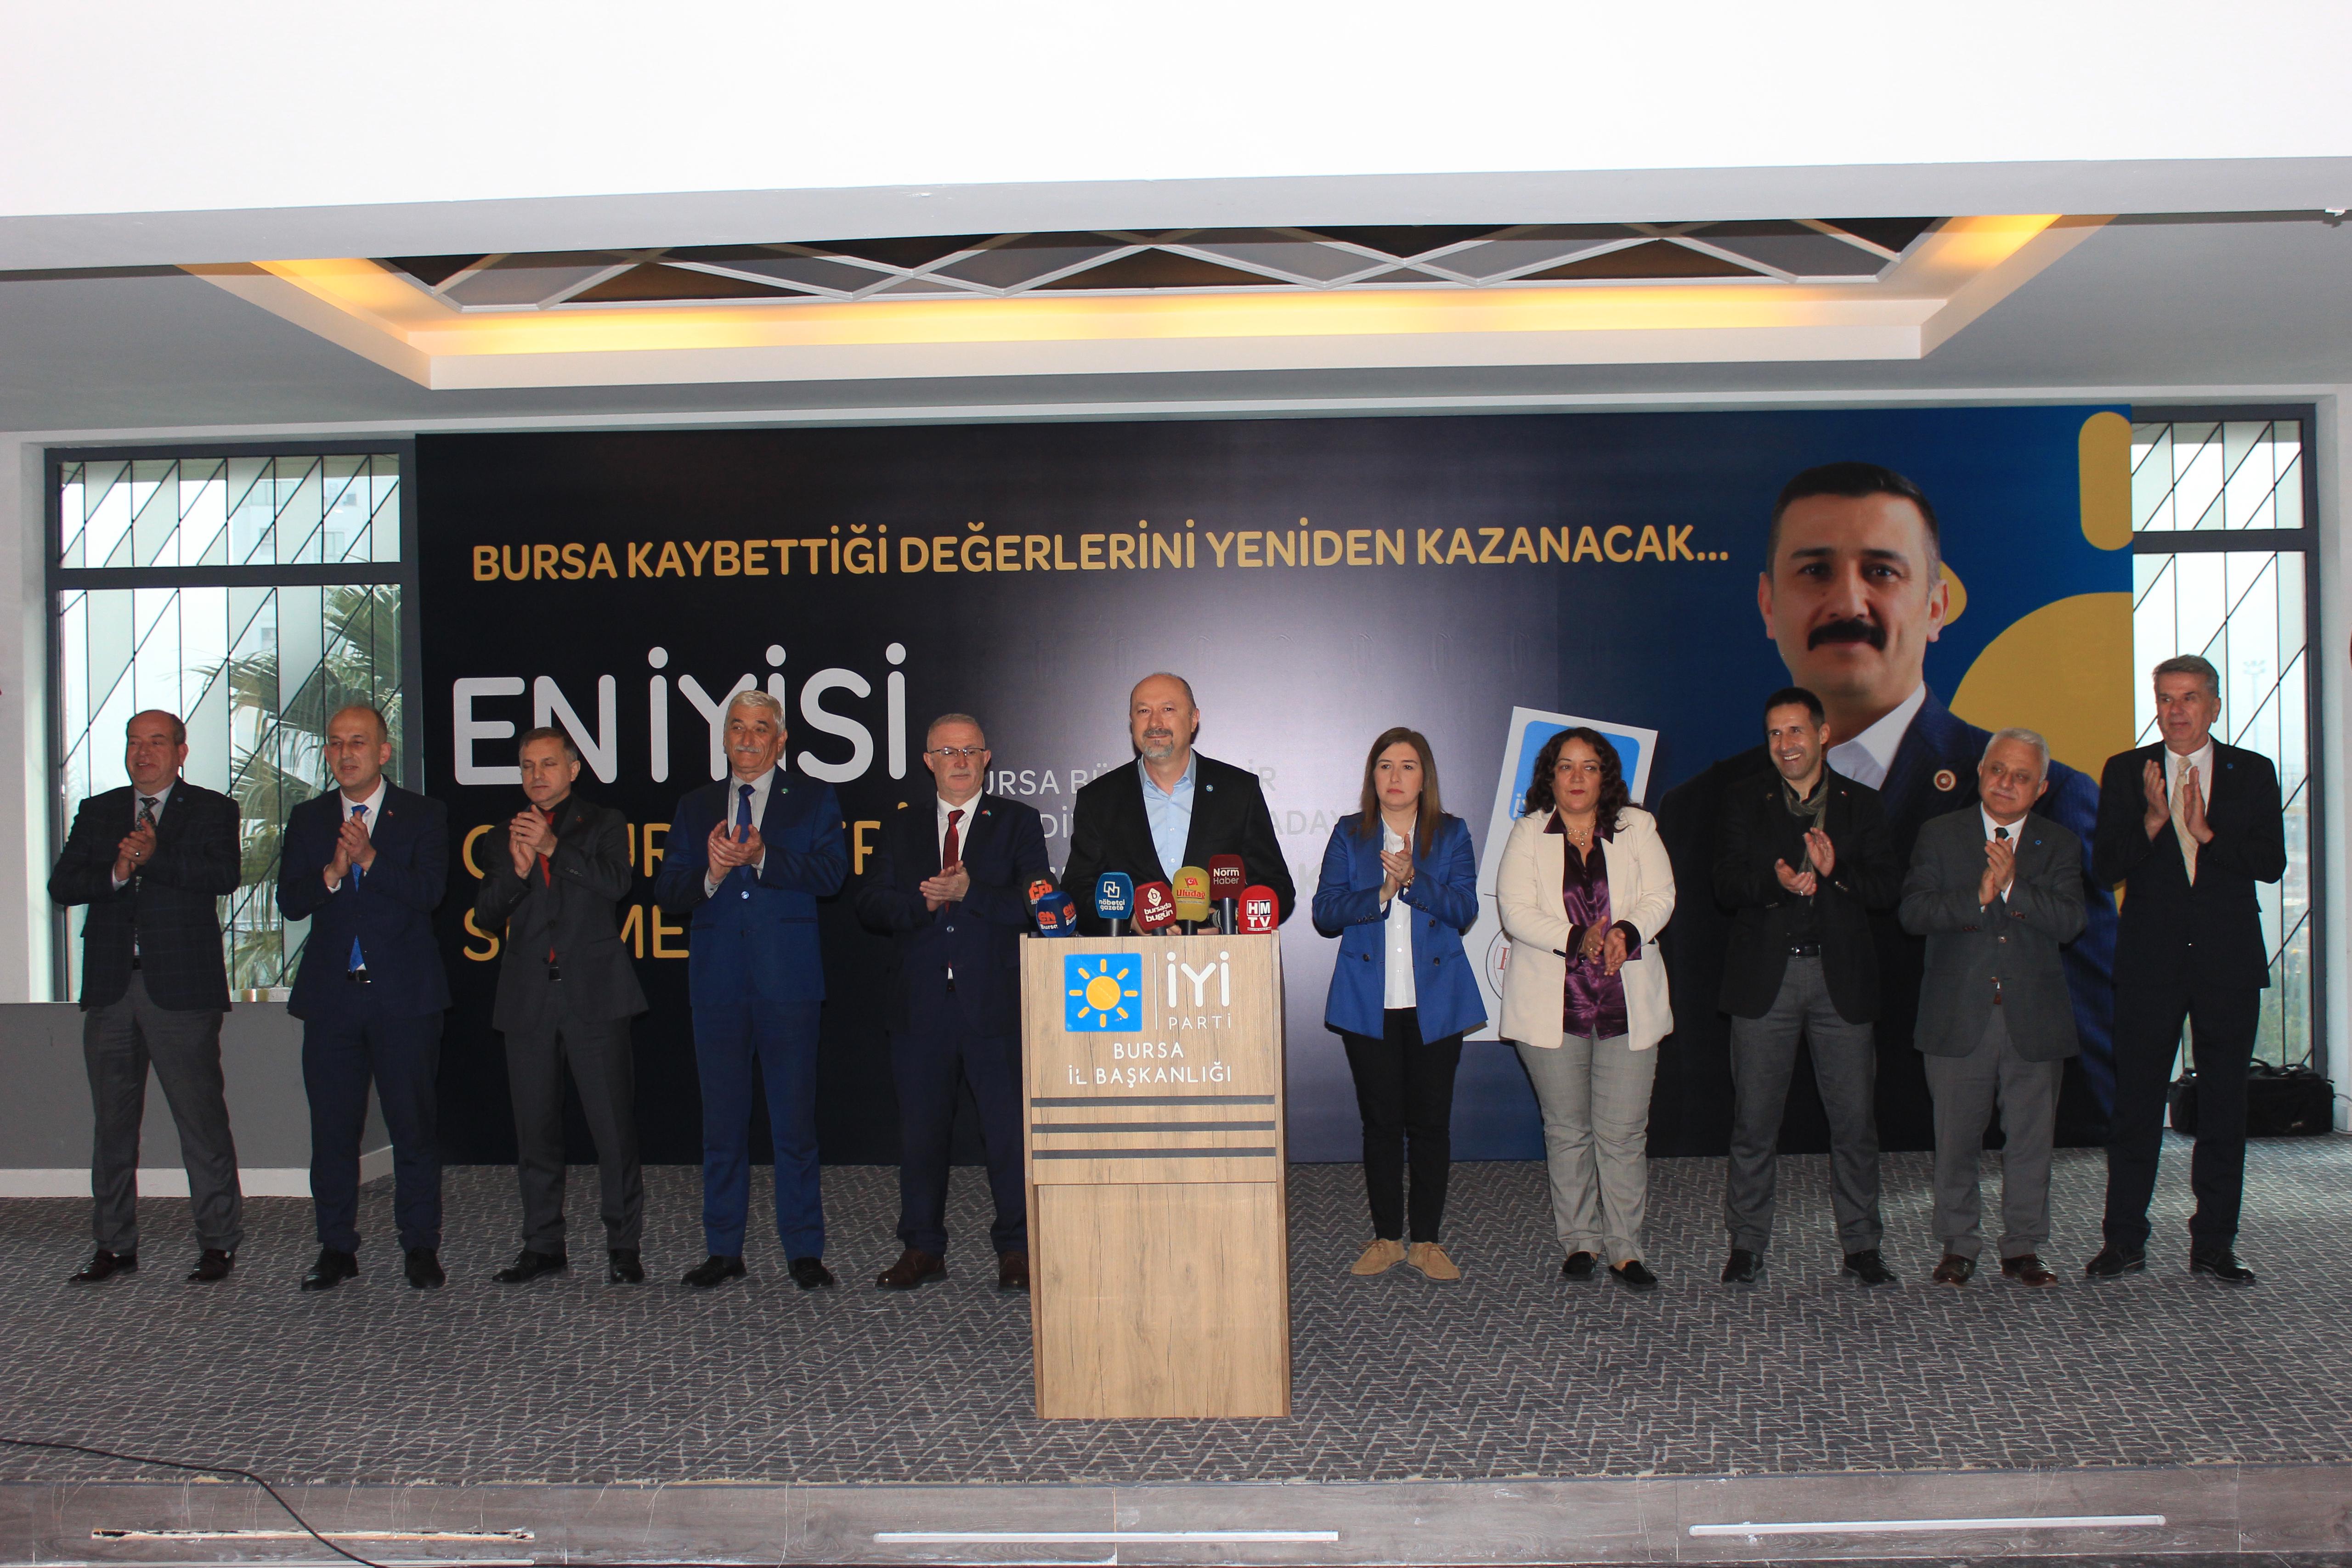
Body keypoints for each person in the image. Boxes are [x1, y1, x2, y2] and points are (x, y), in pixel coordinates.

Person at [1656, 461, 2115, 1154]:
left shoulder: (2045, 799)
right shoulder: (1696, 811)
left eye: (1882, 571)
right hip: (1761, 1176)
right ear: (1768, 605)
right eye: (1814, 571)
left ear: (1935, 607)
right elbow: (1687, 1058)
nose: (1848, 601)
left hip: (1955, 1173)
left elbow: (2080, 1056)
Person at [2086, 654, 2285, 1285]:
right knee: (2136, 1105)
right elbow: (2104, 868)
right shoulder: (2127, 771)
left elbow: (2272, 863)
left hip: (2228, 961)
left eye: (2189, 698)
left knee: (2223, 1107)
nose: (2175, 711)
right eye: (2165, 699)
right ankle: (2123, 1241)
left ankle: (2214, 1245)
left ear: (2214, 706)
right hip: (2149, 962)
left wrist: (2206, 832)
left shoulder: (2252, 771)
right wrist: (2153, 821)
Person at [655, 689, 848, 1290]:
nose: (746, 738)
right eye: (736, 727)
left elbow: (831, 874)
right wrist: (712, 872)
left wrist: (765, 855)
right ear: (724, 737)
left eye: (760, 728)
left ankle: (804, 1250)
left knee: (794, 1126)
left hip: (788, 983)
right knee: (722, 1126)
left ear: (780, 740)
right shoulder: (695, 805)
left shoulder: (812, 798)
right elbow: (669, 891)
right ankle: (723, 1249)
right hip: (716, 984)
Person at [853, 714, 1049, 1294]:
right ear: (928, 762)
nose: (959, 761)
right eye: (947, 752)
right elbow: (869, 904)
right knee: (921, 1134)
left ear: (986, 759)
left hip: (994, 1005)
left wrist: (971, 892)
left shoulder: (1016, 821)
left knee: (1007, 1136)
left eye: (969, 751)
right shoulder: (901, 826)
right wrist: (924, 904)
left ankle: (1017, 1249)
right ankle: (922, 1248)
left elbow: (1038, 905)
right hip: (920, 1007)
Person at [48, 710, 244, 1285]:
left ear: (181, 752)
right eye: (135, 742)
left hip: (182, 991)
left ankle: (218, 1243)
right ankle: (114, 1246)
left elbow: (223, 876)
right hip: (112, 988)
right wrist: (116, 870)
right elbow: (63, 885)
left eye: (157, 742)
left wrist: (154, 857)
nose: (143, 752)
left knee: (201, 1123)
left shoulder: (212, 809)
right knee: (111, 1128)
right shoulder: (98, 810)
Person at [1715, 687, 1901, 1286]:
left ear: (1822, 735)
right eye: (1774, 733)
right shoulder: (1744, 800)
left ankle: (1862, 1246)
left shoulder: (1862, 804)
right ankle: (1746, 1244)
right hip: (1764, 982)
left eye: (1795, 731)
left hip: (1838, 980)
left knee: (1854, 1125)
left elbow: (1887, 890)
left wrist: (1835, 871)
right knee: (1753, 1123)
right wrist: (1775, 884)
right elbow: (1723, 884)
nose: (1785, 744)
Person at [1899, 728, 2086, 1288]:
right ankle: (1957, 1246)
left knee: (2030, 1142)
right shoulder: (1939, 834)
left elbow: (2070, 922)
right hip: (1957, 1013)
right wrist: (1976, 897)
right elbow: (1913, 913)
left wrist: (2011, 890)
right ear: (1980, 771)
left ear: (2041, 788)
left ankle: (2023, 1247)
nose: (2006, 783)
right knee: (1955, 1141)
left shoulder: (2059, 843)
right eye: (1997, 770)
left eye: (2021, 776)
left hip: (2033, 1017)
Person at [276, 705, 451, 1292]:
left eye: (358, 742)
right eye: (335, 743)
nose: (344, 753)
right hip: (332, 1000)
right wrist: (332, 871)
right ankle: (335, 1247)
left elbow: (430, 892)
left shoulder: (423, 814)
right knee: (332, 1131)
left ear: (383, 752)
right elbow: (290, 901)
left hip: (404, 998)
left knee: (413, 1128)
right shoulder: (309, 819)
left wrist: (372, 859)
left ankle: (419, 1245)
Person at [1497, 728, 1677, 1292]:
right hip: (1551, 1007)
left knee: (1621, 1134)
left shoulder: (1637, 827)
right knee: (1567, 1130)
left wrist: (1626, 931)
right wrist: (1578, 938)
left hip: (1627, 1004)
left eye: (1589, 767)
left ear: (1606, 777)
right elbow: (1514, 912)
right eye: (1565, 767)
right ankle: (1579, 1241)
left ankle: (1625, 1249)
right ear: (1549, 777)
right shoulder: (1528, 833)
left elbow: (1661, 896)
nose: (1577, 778)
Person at [473, 726, 649, 1286]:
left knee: (612, 1130)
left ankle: (623, 1246)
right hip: (528, 998)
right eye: (528, 766)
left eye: (548, 764)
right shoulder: (502, 837)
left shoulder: (603, 822)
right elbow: (486, 916)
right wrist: (519, 871)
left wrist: (553, 849)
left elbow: (616, 883)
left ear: (572, 770)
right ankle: (543, 1244)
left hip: (594, 996)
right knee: (536, 1131)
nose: (537, 775)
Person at [1311, 728, 1484, 1282]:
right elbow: (1324, 912)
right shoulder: (1349, 833)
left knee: (1430, 1125)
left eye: (1407, 766)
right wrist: (1381, 895)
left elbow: (1464, 909)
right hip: (1368, 1003)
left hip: (1437, 1002)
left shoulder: (1451, 833)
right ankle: (1386, 1238)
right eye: (1385, 765)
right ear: (1373, 776)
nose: (1395, 776)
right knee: (1381, 1124)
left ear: (1423, 777)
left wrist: (1412, 881)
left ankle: (1427, 1241)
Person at [1061, 673, 1295, 932]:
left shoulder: (1238, 790)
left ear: (1194, 719)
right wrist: (1130, 921)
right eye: (1143, 711)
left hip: (1223, 954)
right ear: (1132, 722)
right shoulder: (1098, 799)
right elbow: (1077, 889)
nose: (1155, 723)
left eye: (1168, 709)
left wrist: (1227, 920)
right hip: (1132, 956)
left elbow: (1277, 887)